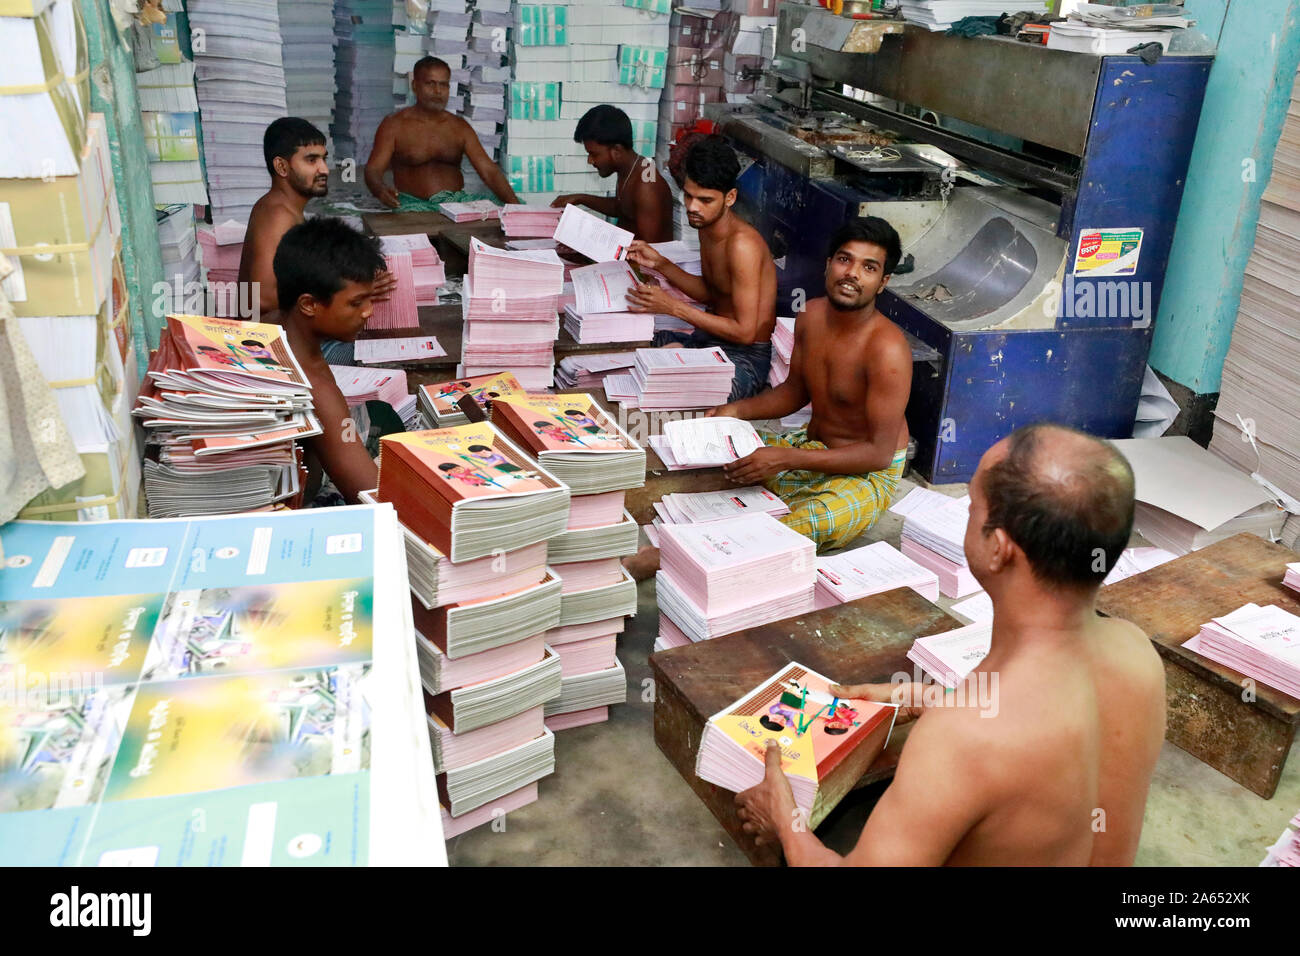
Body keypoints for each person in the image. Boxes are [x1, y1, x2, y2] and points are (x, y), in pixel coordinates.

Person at [734, 424, 1166, 866]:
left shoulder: (959, 741)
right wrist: (932, 698)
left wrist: (786, 821)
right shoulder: (1135, 654)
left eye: (973, 507)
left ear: (998, 549)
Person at [716, 217, 911, 552]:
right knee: (722, 457)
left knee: (797, 528)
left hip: (865, 473)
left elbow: (878, 454)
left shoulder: (887, 349)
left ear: (882, 282)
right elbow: (795, 392)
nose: (852, 273)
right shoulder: (811, 314)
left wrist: (785, 458)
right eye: (845, 259)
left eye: (869, 267)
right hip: (812, 447)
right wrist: (733, 411)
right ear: (828, 264)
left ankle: (688, 554)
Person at [623, 135, 776, 402]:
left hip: (744, 357)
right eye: (689, 195)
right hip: (707, 339)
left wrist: (672, 307)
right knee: (630, 346)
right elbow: (711, 292)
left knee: (678, 394)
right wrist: (661, 264)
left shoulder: (743, 246)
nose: (693, 207)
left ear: (730, 198)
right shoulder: (706, 224)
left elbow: (746, 331)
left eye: (705, 200)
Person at [241, 118, 392, 361]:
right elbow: (263, 297)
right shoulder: (277, 214)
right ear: (282, 166)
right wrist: (354, 292)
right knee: (375, 354)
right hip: (273, 350)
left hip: (287, 337)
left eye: (323, 158)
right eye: (311, 160)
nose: (323, 169)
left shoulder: (284, 208)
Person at [274, 217, 387, 504]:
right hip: (299, 509)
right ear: (309, 304)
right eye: (356, 302)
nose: (368, 312)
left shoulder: (273, 327)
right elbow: (373, 499)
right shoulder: (316, 390)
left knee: (381, 413)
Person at [365, 56, 519, 209]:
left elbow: (489, 172)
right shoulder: (394, 125)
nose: (438, 91)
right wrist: (379, 190)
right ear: (414, 86)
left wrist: (517, 208)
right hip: (412, 207)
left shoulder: (459, 127)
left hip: (456, 206)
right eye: (430, 84)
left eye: (443, 85)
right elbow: (374, 169)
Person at [549, 105, 672, 242]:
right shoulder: (631, 168)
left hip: (642, 260)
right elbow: (622, 208)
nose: (590, 161)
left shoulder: (647, 184)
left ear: (617, 151)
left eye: (593, 154)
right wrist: (579, 198)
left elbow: (651, 254)